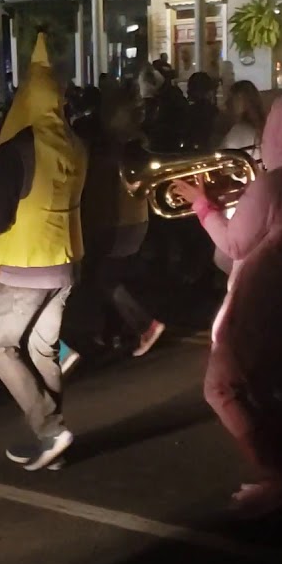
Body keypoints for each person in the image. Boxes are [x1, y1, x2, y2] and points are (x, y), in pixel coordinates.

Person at [171, 94, 282, 516]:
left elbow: (234, 243)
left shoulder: (271, 184)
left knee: (222, 388)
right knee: (274, 391)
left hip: (259, 298)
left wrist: (203, 206)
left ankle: (276, 477)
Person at [0, 33, 86, 471]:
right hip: (65, 265)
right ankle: (54, 445)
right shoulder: (76, 145)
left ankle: (50, 431)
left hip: (23, 269)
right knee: (43, 350)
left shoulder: (18, 150)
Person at [70, 88, 165, 364]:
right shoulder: (138, 139)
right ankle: (112, 334)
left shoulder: (104, 143)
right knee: (109, 276)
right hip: (136, 219)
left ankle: (145, 325)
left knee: (104, 279)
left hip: (113, 220)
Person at [219, 80, 267, 161]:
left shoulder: (239, 131)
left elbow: (221, 160)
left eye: (230, 99)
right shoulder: (265, 127)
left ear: (239, 102)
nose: (226, 103)